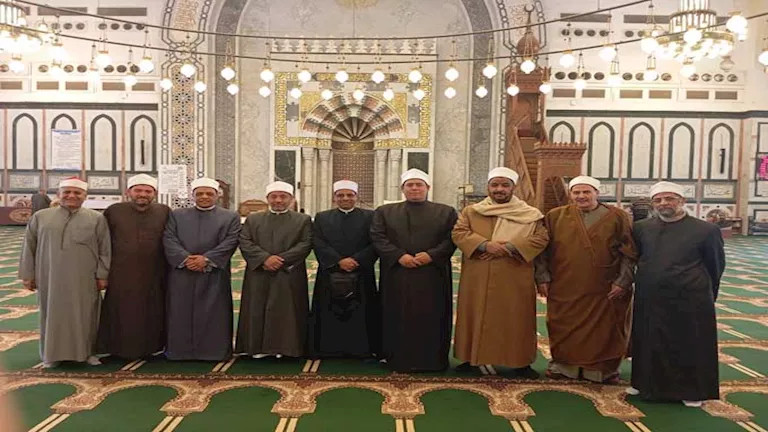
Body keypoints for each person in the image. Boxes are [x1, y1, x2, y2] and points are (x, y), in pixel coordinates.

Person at [628, 181, 725, 407]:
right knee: (648, 339)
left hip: (690, 298)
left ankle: (692, 391)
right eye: (658, 200)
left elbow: (715, 265)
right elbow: (638, 258)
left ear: (682, 201)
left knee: (689, 343)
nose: (664, 203)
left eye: (669, 198)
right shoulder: (641, 228)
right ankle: (643, 383)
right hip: (650, 296)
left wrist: (708, 293)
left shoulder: (706, 230)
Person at [537, 176, 636, 384]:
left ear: (596, 193)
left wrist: (623, 281)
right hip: (564, 284)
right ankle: (565, 366)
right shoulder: (555, 216)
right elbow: (542, 250)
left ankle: (600, 369)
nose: (581, 196)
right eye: (576, 192)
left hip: (605, 286)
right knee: (563, 325)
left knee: (604, 328)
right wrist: (542, 277)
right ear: (570, 194)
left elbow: (629, 252)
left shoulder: (617, 216)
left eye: (586, 192)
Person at [452, 167, 548, 378]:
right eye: (495, 185)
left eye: (505, 185)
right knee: (475, 315)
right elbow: (459, 233)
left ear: (513, 187)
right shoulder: (472, 211)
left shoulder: (530, 214)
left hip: (515, 273)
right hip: (478, 274)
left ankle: (520, 362)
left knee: (516, 318)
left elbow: (541, 238)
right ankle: (472, 359)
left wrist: (508, 248)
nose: (499, 189)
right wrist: (485, 245)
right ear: (488, 187)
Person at [370, 168, 457, 372]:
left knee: (431, 316)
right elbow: (378, 237)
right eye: (410, 185)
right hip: (397, 274)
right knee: (396, 315)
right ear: (403, 189)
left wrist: (432, 255)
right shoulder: (384, 212)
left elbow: (452, 238)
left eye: (419, 184)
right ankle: (395, 358)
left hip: (432, 275)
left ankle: (433, 361)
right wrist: (399, 255)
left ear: (428, 187)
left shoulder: (446, 212)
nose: (415, 188)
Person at [19, 177, 111, 368]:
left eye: (77, 193)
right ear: (58, 194)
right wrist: (28, 274)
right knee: (51, 314)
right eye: (67, 192)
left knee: (86, 315)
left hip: (84, 277)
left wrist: (102, 274)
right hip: (50, 275)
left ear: (85, 196)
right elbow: (29, 246)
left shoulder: (96, 218)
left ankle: (87, 353)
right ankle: (52, 355)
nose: (71, 196)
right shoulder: (41, 217)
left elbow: (105, 248)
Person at [163, 177, 241, 361]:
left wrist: (207, 259)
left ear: (217, 195)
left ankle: (213, 352)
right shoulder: (177, 215)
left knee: (214, 312)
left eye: (209, 193)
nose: (204, 197)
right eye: (200, 194)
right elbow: (169, 238)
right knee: (180, 311)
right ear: (193, 195)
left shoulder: (230, 217)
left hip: (214, 273)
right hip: (182, 272)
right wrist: (185, 259)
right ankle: (180, 352)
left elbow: (231, 241)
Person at [96, 174, 170, 360]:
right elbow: (102, 242)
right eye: (138, 190)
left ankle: (153, 348)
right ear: (128, 192)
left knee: (153, 310)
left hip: (155, 272)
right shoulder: (114, 211)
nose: (143, 194)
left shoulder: (164, 211)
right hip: (121, 272)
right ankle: (117, 348)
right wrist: (102, 272)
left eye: (148, 191)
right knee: (121, 311)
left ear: (155, 193)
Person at [236, 181, 313, 359]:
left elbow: (306, 243)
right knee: (257, 306)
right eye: (274, 197)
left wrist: (281, 260)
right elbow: (245, 241)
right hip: (259, 272)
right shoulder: (253, 219)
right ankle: (256, 348)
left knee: (287, 310)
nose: (278, 200)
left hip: (289, 272)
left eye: (283, 197)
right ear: (267, 199)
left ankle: (287, 348)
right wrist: (264, 259)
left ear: (291, 199)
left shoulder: (302, 220)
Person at [308, 180, 379, 358]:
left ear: (356, 196)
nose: (345, 198)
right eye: (340, 195)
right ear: (334, 198)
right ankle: (329, 348)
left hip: (361, 272)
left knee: (361, 311)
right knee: (329, 310)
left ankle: (361, 349)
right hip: (331, 272)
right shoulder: (322, 217)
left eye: (349, 195)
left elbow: (376, 242)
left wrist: (356, 260)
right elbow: (318, 242)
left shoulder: (370, 216)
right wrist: (338, 261)